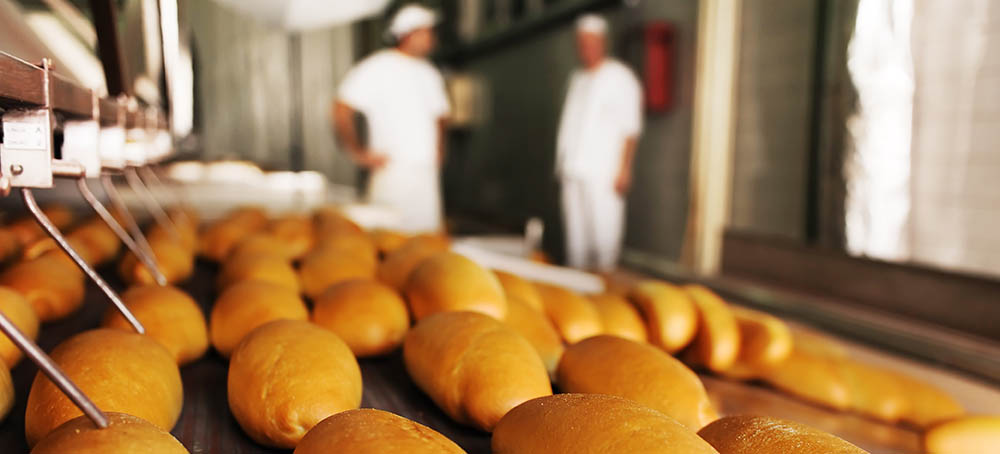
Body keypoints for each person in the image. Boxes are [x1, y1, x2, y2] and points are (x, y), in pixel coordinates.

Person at [333, 4, 450, 233]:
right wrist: (357, 152)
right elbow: (341, 109)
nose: (431, 38)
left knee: (426, 238)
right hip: (392, 172)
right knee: (388, 239)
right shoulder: (378, 67)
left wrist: (439, 148)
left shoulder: (429, 73)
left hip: (426, 174)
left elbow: (441, 115)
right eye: (426, 31)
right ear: (407, 34)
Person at [556, 13, 643, 271]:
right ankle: (577, 292)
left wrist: (625, 168)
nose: (586, 48)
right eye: (582, 43)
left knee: (603, 239)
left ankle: (604, 292)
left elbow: (631, 127)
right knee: (575, 241)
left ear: (602, 42)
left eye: (591, 42)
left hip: (603, 172)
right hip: (573, 170)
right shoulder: (577, 79)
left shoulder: (620, 77)